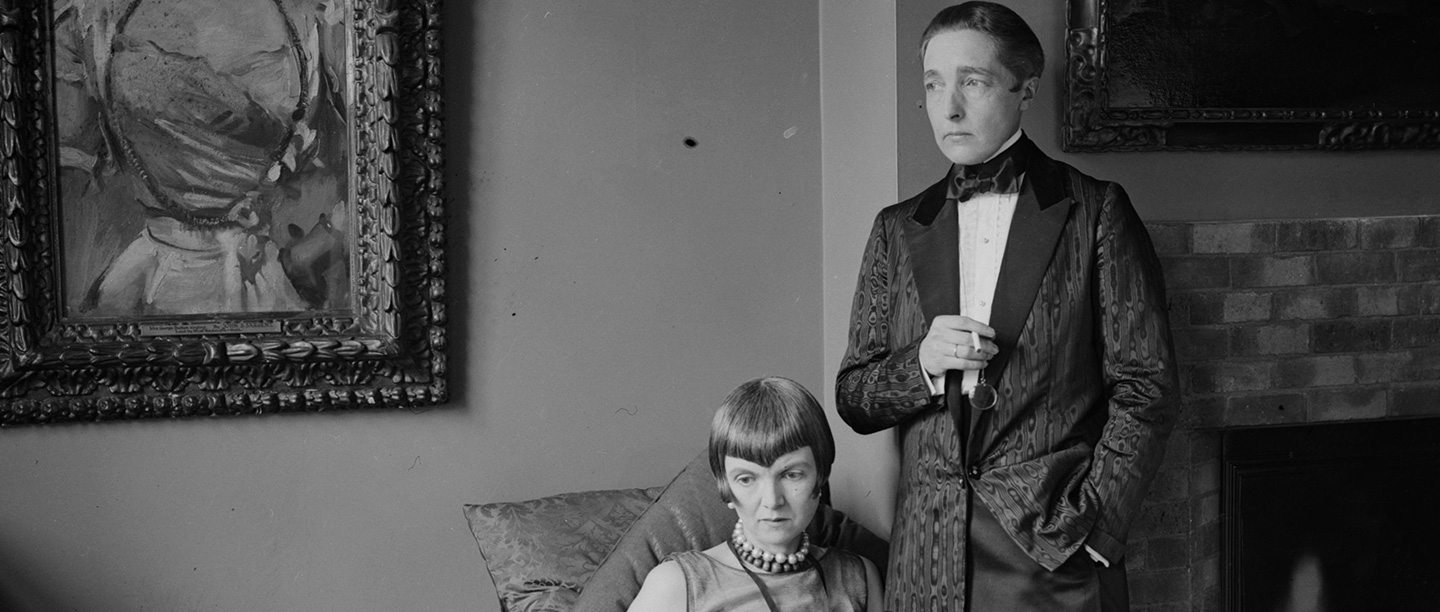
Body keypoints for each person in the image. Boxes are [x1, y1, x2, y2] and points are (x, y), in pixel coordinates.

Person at [835, 3, 1178, 611]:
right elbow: (856, 397)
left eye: (973, 81)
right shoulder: (895, 228)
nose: (949, 107)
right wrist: (921, 363)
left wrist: (1097, 528)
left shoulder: (1095, 211)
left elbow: (1146, 387)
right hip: (926, 563)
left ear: (1026, 89)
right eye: (935, 84)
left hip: (1051, 550)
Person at [628, 377, 883, 612]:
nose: (772, 501)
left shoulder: (858, 578)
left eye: (792, 474)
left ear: (821, 475)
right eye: (747, 479)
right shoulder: (677, 584)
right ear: (725, 487)